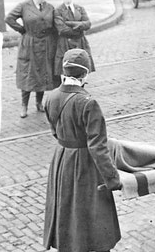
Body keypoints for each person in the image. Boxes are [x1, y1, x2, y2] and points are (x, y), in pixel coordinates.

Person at [43, 49, 123, 251]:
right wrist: (112, 179)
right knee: (92, 217)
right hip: (85, 165)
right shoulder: (88, 103)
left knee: (66, 210)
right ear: (85, 74)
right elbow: (98, 146)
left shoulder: (51, 97)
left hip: (61, 160)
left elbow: (55, 131)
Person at [5, 0, 59, 118]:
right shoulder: (24, 6)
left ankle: (39, 103)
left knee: (42, 74)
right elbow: (9, 18)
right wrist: (22, 30)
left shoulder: (50, 7)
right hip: (30, 45)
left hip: (46, 45)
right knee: (28, 75)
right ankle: (24, 106)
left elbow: (55, 24)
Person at [53, 0, 95, 75]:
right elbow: (62, 30)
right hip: (65, 44)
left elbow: (88, 24)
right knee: (66, 71)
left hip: (80, 42)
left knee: (82, 67)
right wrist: (80, 27)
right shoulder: (58, 11)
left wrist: (70, 24)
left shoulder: (80, 9)